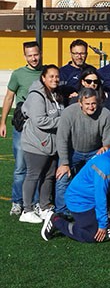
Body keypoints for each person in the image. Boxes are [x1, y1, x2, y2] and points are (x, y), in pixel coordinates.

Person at [41, 128, 110, 243]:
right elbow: (100, 195)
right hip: (80, 200)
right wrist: (102, 225)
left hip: (95, 195)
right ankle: (57, 221)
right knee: (92, 236)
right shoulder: (105, 164)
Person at [55, 87, 110, 216]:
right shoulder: (69, 113)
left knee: (102, 177)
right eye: (87, 104)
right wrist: (64, 163)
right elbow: (62, 138)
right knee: (62, 177)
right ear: (80, 103)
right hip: (73, 151)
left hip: (95, 151)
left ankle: (99, 208)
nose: (91, 107)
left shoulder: (105, 114)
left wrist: (106, 148)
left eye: (93, 103)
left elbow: (108, 140)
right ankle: (61, 212)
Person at [1, 41, 42, 216]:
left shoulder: (47, 73)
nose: (33, 58)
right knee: (20, 167)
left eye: (36, 54)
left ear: (40, 53)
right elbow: (9, 98)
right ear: (25, 56)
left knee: (40, 166)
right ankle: (17, 202)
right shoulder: (18, 74)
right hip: (22, 126)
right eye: (30, 55)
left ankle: (38, 202)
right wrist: (2, 122)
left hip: (41, 128)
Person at [19, 65, 64, 223]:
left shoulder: (55, 94)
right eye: (51, 76)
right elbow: (39, 120)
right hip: (36, 143)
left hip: (52, 144)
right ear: (43, 78)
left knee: (49, 176)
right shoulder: (37, 95)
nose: (54, 79)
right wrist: (63, 121)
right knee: (33, 175)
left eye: (57, 76)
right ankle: (27, 210)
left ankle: (44, 206)